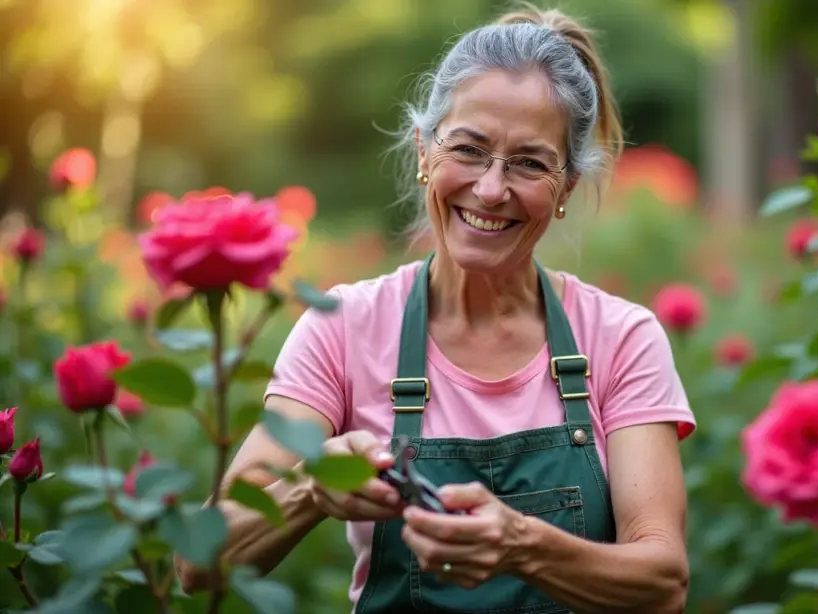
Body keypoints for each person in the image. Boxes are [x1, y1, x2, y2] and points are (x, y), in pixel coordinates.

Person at [176, 5, 696, 613]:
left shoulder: (619, 337)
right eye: (469, 149)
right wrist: (310, 490)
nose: (492, 188)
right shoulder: (342, 327)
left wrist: (522, 543)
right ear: (425, 151)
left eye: (529, 162)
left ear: (566, 189)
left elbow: (663, 582)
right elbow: (198, 563)